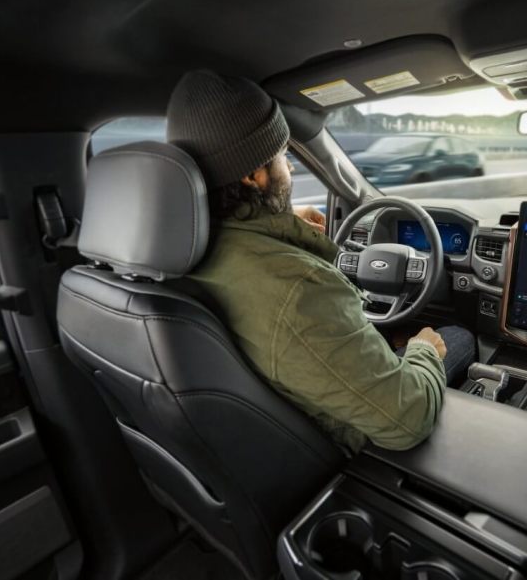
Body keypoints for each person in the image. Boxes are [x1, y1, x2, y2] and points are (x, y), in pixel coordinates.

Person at [165, 70, 475, 453]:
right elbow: (408, 419)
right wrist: (423, 349)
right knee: (455, 337)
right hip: (343, 450)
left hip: (259, 437)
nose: (291, 167)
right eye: (283, 157)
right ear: (253, 176)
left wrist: (283, 225)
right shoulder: (300, 288)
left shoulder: (177, 253)